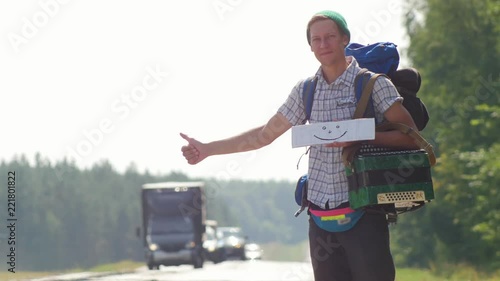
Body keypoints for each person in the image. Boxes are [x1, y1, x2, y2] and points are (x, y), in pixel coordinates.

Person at [180, 10, 418, 281]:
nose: (323, 44)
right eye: (316, 40)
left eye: (330, 37)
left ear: (344, 39)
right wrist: (208, 148)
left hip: (365, 213)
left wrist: (362, 136)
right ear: (310, 46)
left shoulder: (374, 84)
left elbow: (411, 136)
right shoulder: (306, 90)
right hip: (319, 217)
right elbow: (264, 135)